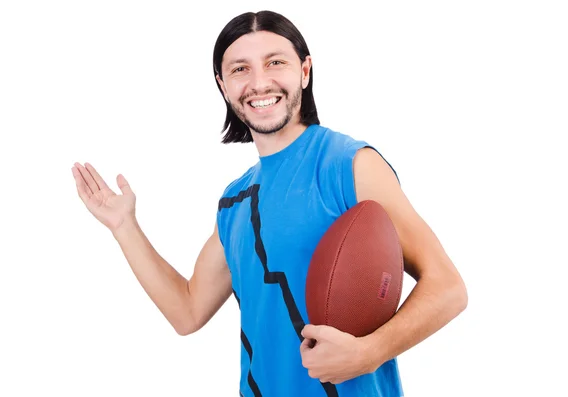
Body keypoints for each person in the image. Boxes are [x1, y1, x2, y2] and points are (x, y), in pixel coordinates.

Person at [71, 10, 467, 397]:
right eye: (240, 69)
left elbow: (448, 287)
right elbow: (187, 311)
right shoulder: (235, 200)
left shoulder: (348, 165)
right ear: (223, 85)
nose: (259, 83)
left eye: (275, 62)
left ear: (305, 71)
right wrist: (124, 226)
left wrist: (369, 353)